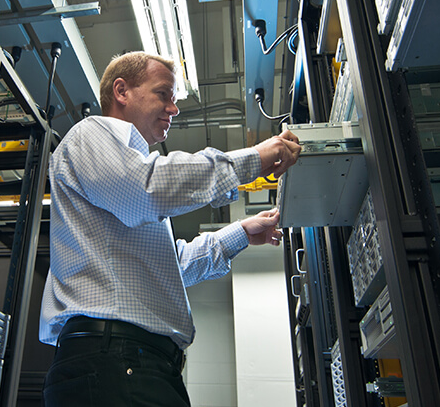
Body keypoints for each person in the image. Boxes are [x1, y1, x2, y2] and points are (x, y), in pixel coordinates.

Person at [39, 51, 301, 406]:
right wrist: (253, 159)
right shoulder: (91, 135)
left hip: (132, 362)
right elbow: (149, 190)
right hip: (115, 360)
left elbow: (169, 266)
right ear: (122, 91)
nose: (174, 109)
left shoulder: (124, 173)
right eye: (163, 94)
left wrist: (240, 231)